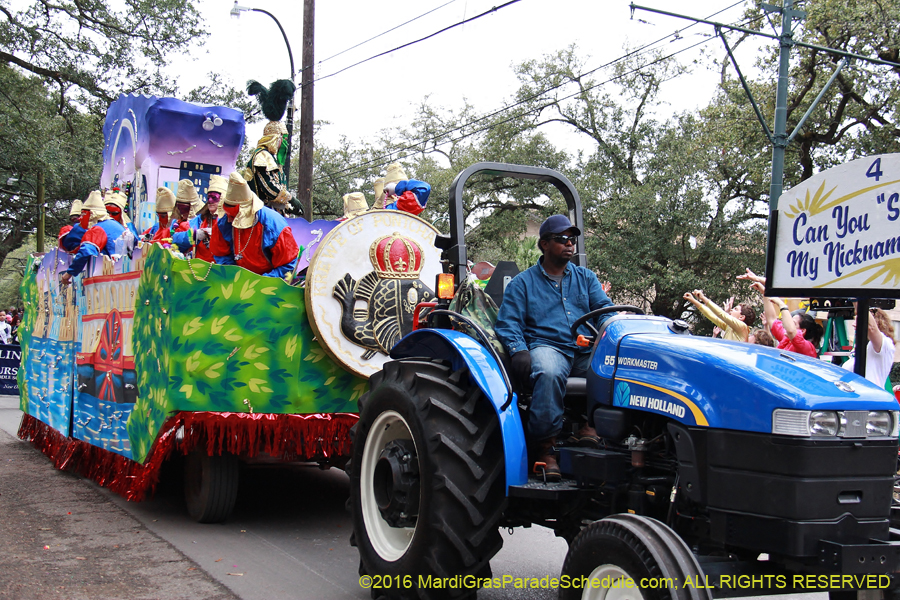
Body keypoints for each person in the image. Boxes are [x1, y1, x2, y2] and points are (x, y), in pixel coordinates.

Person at [495, 214, 615, 481]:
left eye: (572, 239)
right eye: (562, 239)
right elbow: (507, 323)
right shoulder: (523, 283)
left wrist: (609, 328)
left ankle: (590, 427)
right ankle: (545, 448)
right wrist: (518, 350)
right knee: (548, 372)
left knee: (616, 368)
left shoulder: (586, 278)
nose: (569, 244)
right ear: (545, 245)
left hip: (583, 349)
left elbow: (604, 310)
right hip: (548, 346)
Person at [210, 171, 299, 278]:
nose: (229, 220)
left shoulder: (274, 226)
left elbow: (288, 266)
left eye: (233, 217)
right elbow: (220, 254)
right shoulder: (224, 222)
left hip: (269, 283)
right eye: (227, 214)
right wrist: (234, 274)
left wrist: (259, 282)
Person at [245, 79, 302, 216]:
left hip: (273, 215)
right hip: (260, 216)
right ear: (274, 138)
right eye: (282, 138)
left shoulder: (274, 161)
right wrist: (291, 198)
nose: (284, 143)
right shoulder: (262, 156)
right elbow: (269, 189)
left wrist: (288, 206)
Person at [740, 270, 822, 359]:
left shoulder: (807, 347)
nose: (786, 324)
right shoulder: (786, 338)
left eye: (793, 323)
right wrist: (765, 293)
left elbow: (791, 331)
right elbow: (771, 319)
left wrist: (782, 305)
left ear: (802, 331)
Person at [60, 190, 125, 285]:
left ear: (91, 215)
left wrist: (69, 273)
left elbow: (86, 251)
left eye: (83, 215)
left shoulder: (97, 229)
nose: (80, 219)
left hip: (112, 276)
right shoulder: (117, 225)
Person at [172, 174, 226, 262]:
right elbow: (175, 238)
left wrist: (218, 235)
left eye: (214, 197)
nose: (210, 201)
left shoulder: (230, 221)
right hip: (198, 269)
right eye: (208, 197)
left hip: (221, 270)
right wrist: (193, 235)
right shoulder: (200, 219)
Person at [843, 307, 897, 390]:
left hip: (871, 399)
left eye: (858, 321)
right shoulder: (863, 348)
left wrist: (858, 300)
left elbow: (871, 328)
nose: (853, 324)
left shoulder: (884, 345)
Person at [683, 290, 754, 342]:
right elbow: (711, 315)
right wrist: (693, 300)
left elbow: (722, 314)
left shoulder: (742, 327)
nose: (732, 310)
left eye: (735, 309)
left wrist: (703, 298)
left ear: (741, 317)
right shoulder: (730, 327)